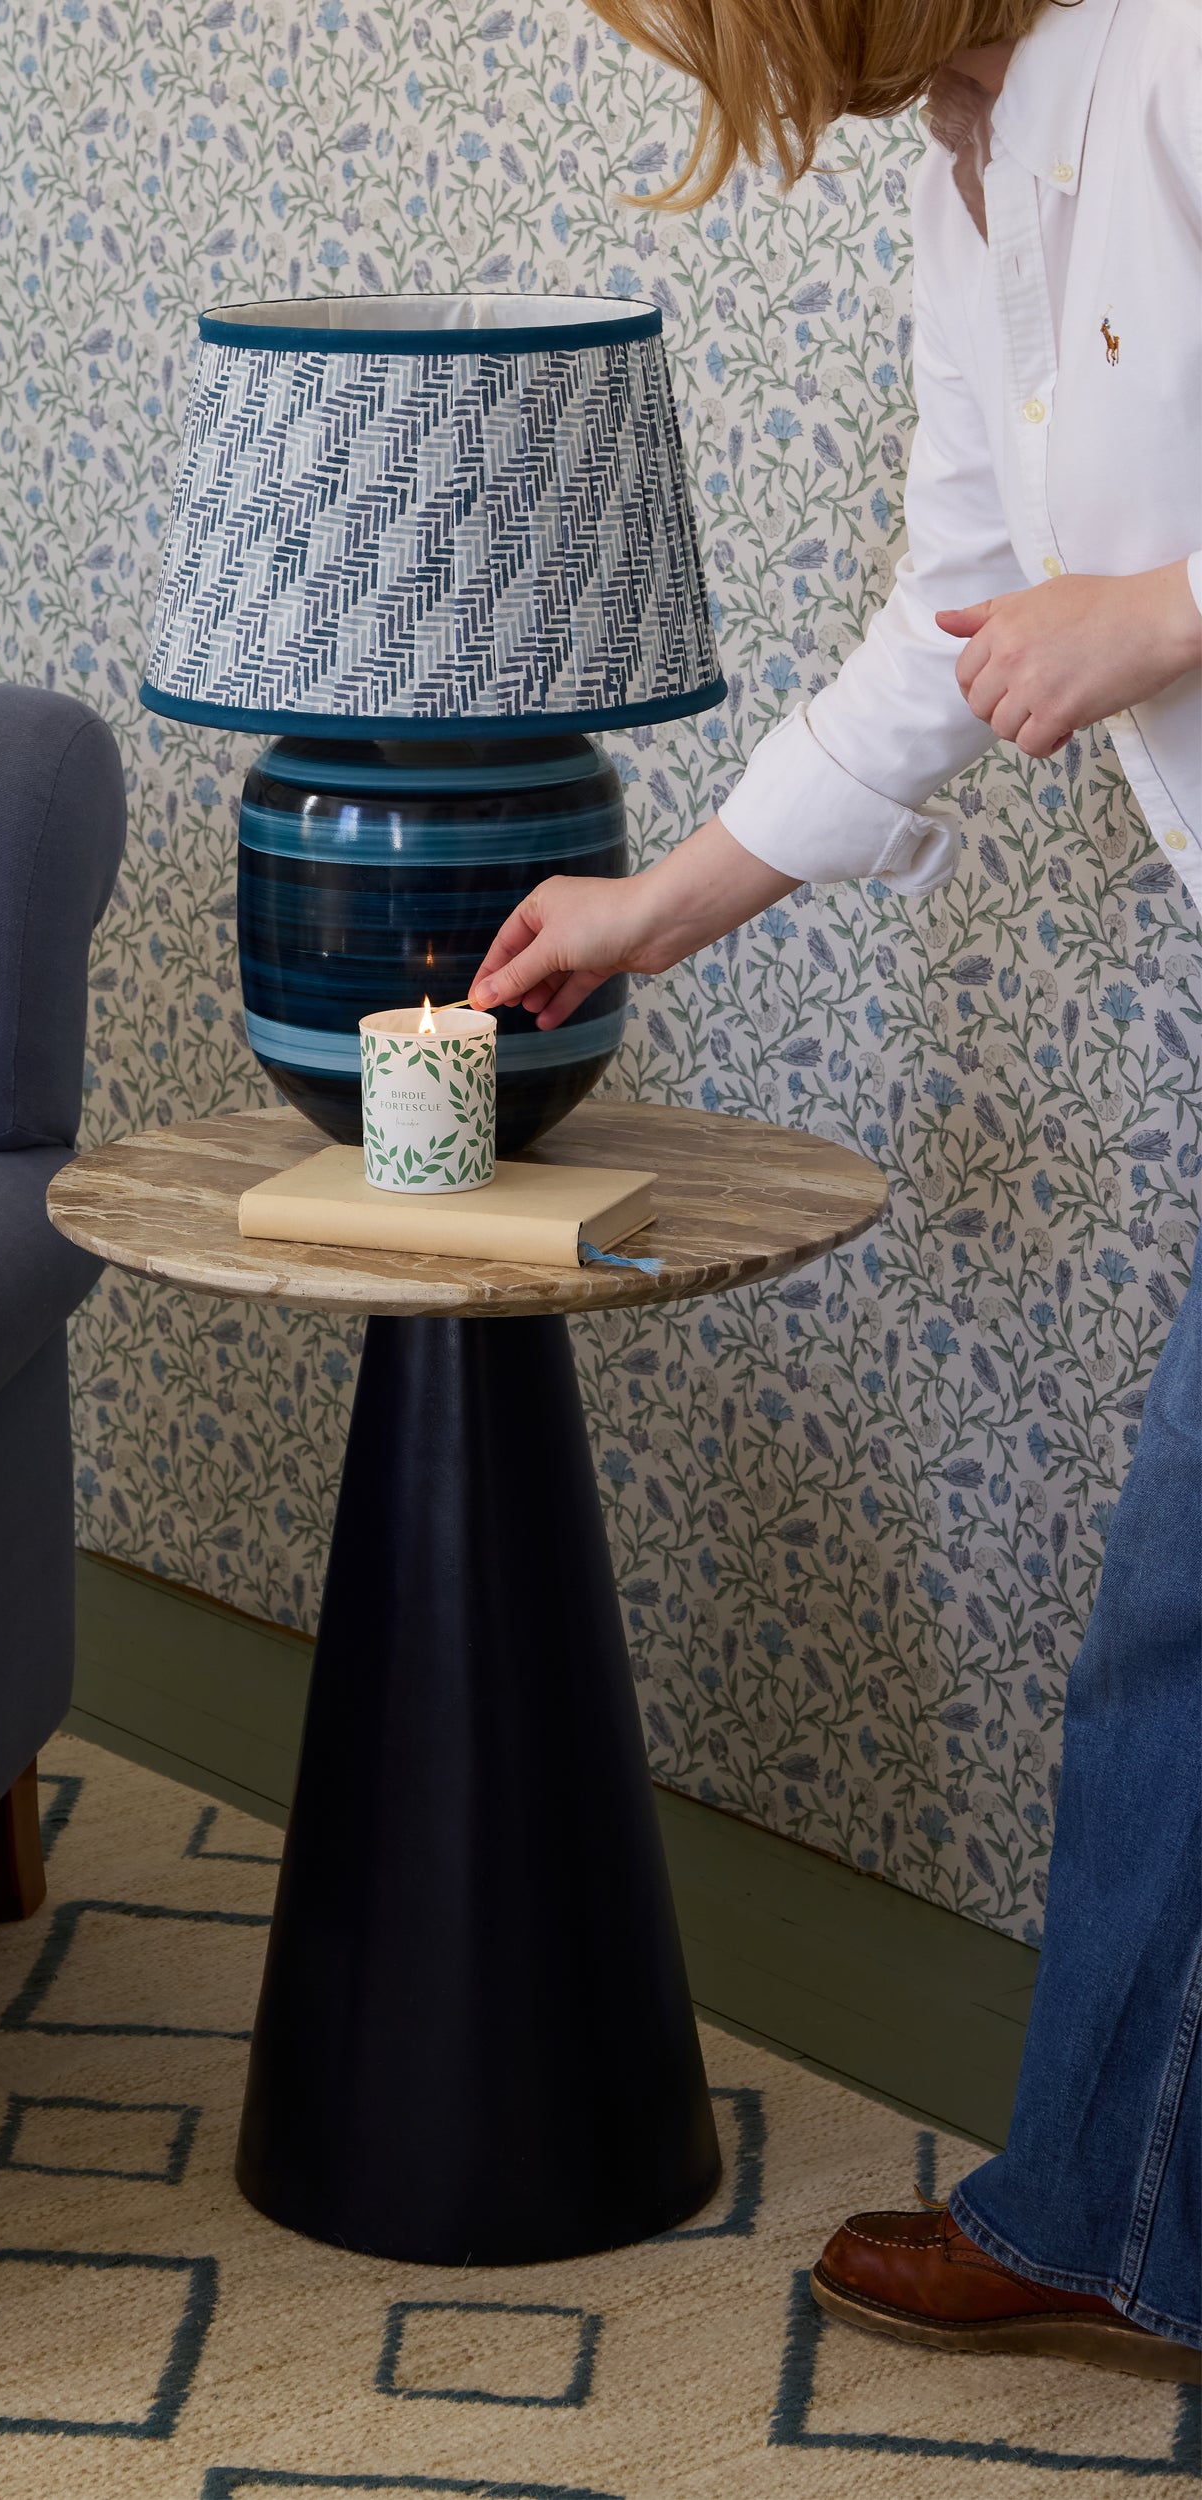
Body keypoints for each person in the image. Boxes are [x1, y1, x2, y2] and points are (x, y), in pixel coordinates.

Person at [471, 0, 1201, 2382]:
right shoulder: (961, 166)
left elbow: (1088, 613)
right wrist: (644, 907)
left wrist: (1170, 609)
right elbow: (950, 616)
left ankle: (1108, 2198)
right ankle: (1109, 2201)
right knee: (1174, 1639)